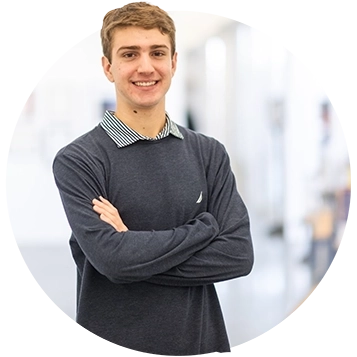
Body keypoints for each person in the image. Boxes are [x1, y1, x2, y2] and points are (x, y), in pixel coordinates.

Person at [52, 1, 254, 355]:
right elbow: (113, 260)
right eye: (130, 54)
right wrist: (204, 229)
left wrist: (130, 252)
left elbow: (237, 254)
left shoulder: (208, 154)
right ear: (108, 67)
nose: (145, 67)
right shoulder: (78, 160)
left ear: (173, 62)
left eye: (157, 52)